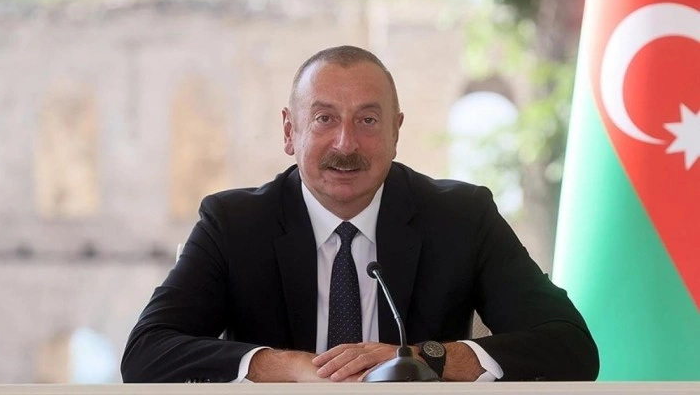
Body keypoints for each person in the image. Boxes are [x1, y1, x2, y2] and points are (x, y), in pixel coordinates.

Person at [121, 45, 599, 383]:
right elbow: (145, 353)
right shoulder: (234, 223)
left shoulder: (461, 216)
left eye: (368, 120)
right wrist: (287, 368)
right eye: (324, 118)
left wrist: (423, 359)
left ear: (396, 132)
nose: (346, 144)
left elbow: (570, 345)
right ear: (289, 131)